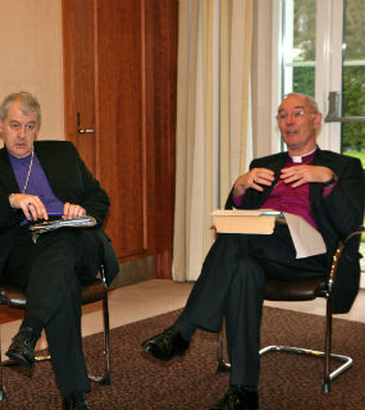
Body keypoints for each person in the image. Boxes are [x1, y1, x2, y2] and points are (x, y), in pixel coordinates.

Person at [141, 92, 365, 409]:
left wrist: (327, 180)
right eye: (282, 115)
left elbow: (350, 223)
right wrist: (239, 188)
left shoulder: (344, 166)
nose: (289, 121)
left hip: (312, 253)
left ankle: (183, 330)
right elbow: (236, 214)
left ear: (315, 120)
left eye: (298, 113)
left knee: (240, 239)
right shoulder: (264, 166)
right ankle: (244, 390)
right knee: (243, 266)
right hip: (262, 248)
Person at [0, 91, 119, 410]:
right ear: (0, 125)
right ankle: (73, 395)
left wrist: (80, 210)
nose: (22, 135)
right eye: (15, 125)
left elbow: (99, 199)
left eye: (30, 126)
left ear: (38, 128)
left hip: (77, 244)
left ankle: (29, 331)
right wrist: (12, 201)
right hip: (24, 253)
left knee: (62, 244)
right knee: (58, 278)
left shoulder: (63, 153)